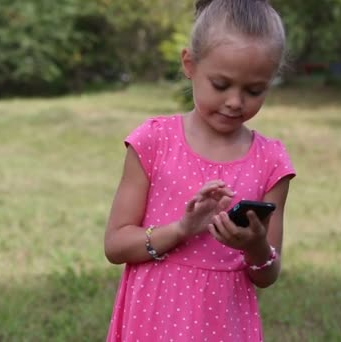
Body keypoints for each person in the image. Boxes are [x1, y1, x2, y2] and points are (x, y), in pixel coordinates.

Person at [104, 0, 296, 340]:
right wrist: (181, 229)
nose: (236, 101)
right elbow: (116, 245)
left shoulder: (271, 162)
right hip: (154, 321)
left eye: (254, 90)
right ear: (189, 64)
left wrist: (254, 244)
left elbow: (267, 274)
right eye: (221, 85)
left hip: (224, 325)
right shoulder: (153, 142)